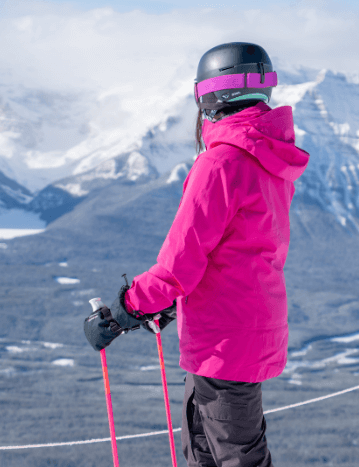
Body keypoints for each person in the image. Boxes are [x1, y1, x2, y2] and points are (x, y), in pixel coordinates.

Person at [84, 42, 310, 466]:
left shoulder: (220, 164)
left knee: (233, 459)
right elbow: (237, 252)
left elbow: (177, 266)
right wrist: (173, 308)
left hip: (223, 346)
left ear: (208, 96)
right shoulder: (270, 161)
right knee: (208, 455)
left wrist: (122, 311)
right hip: (243, 335)